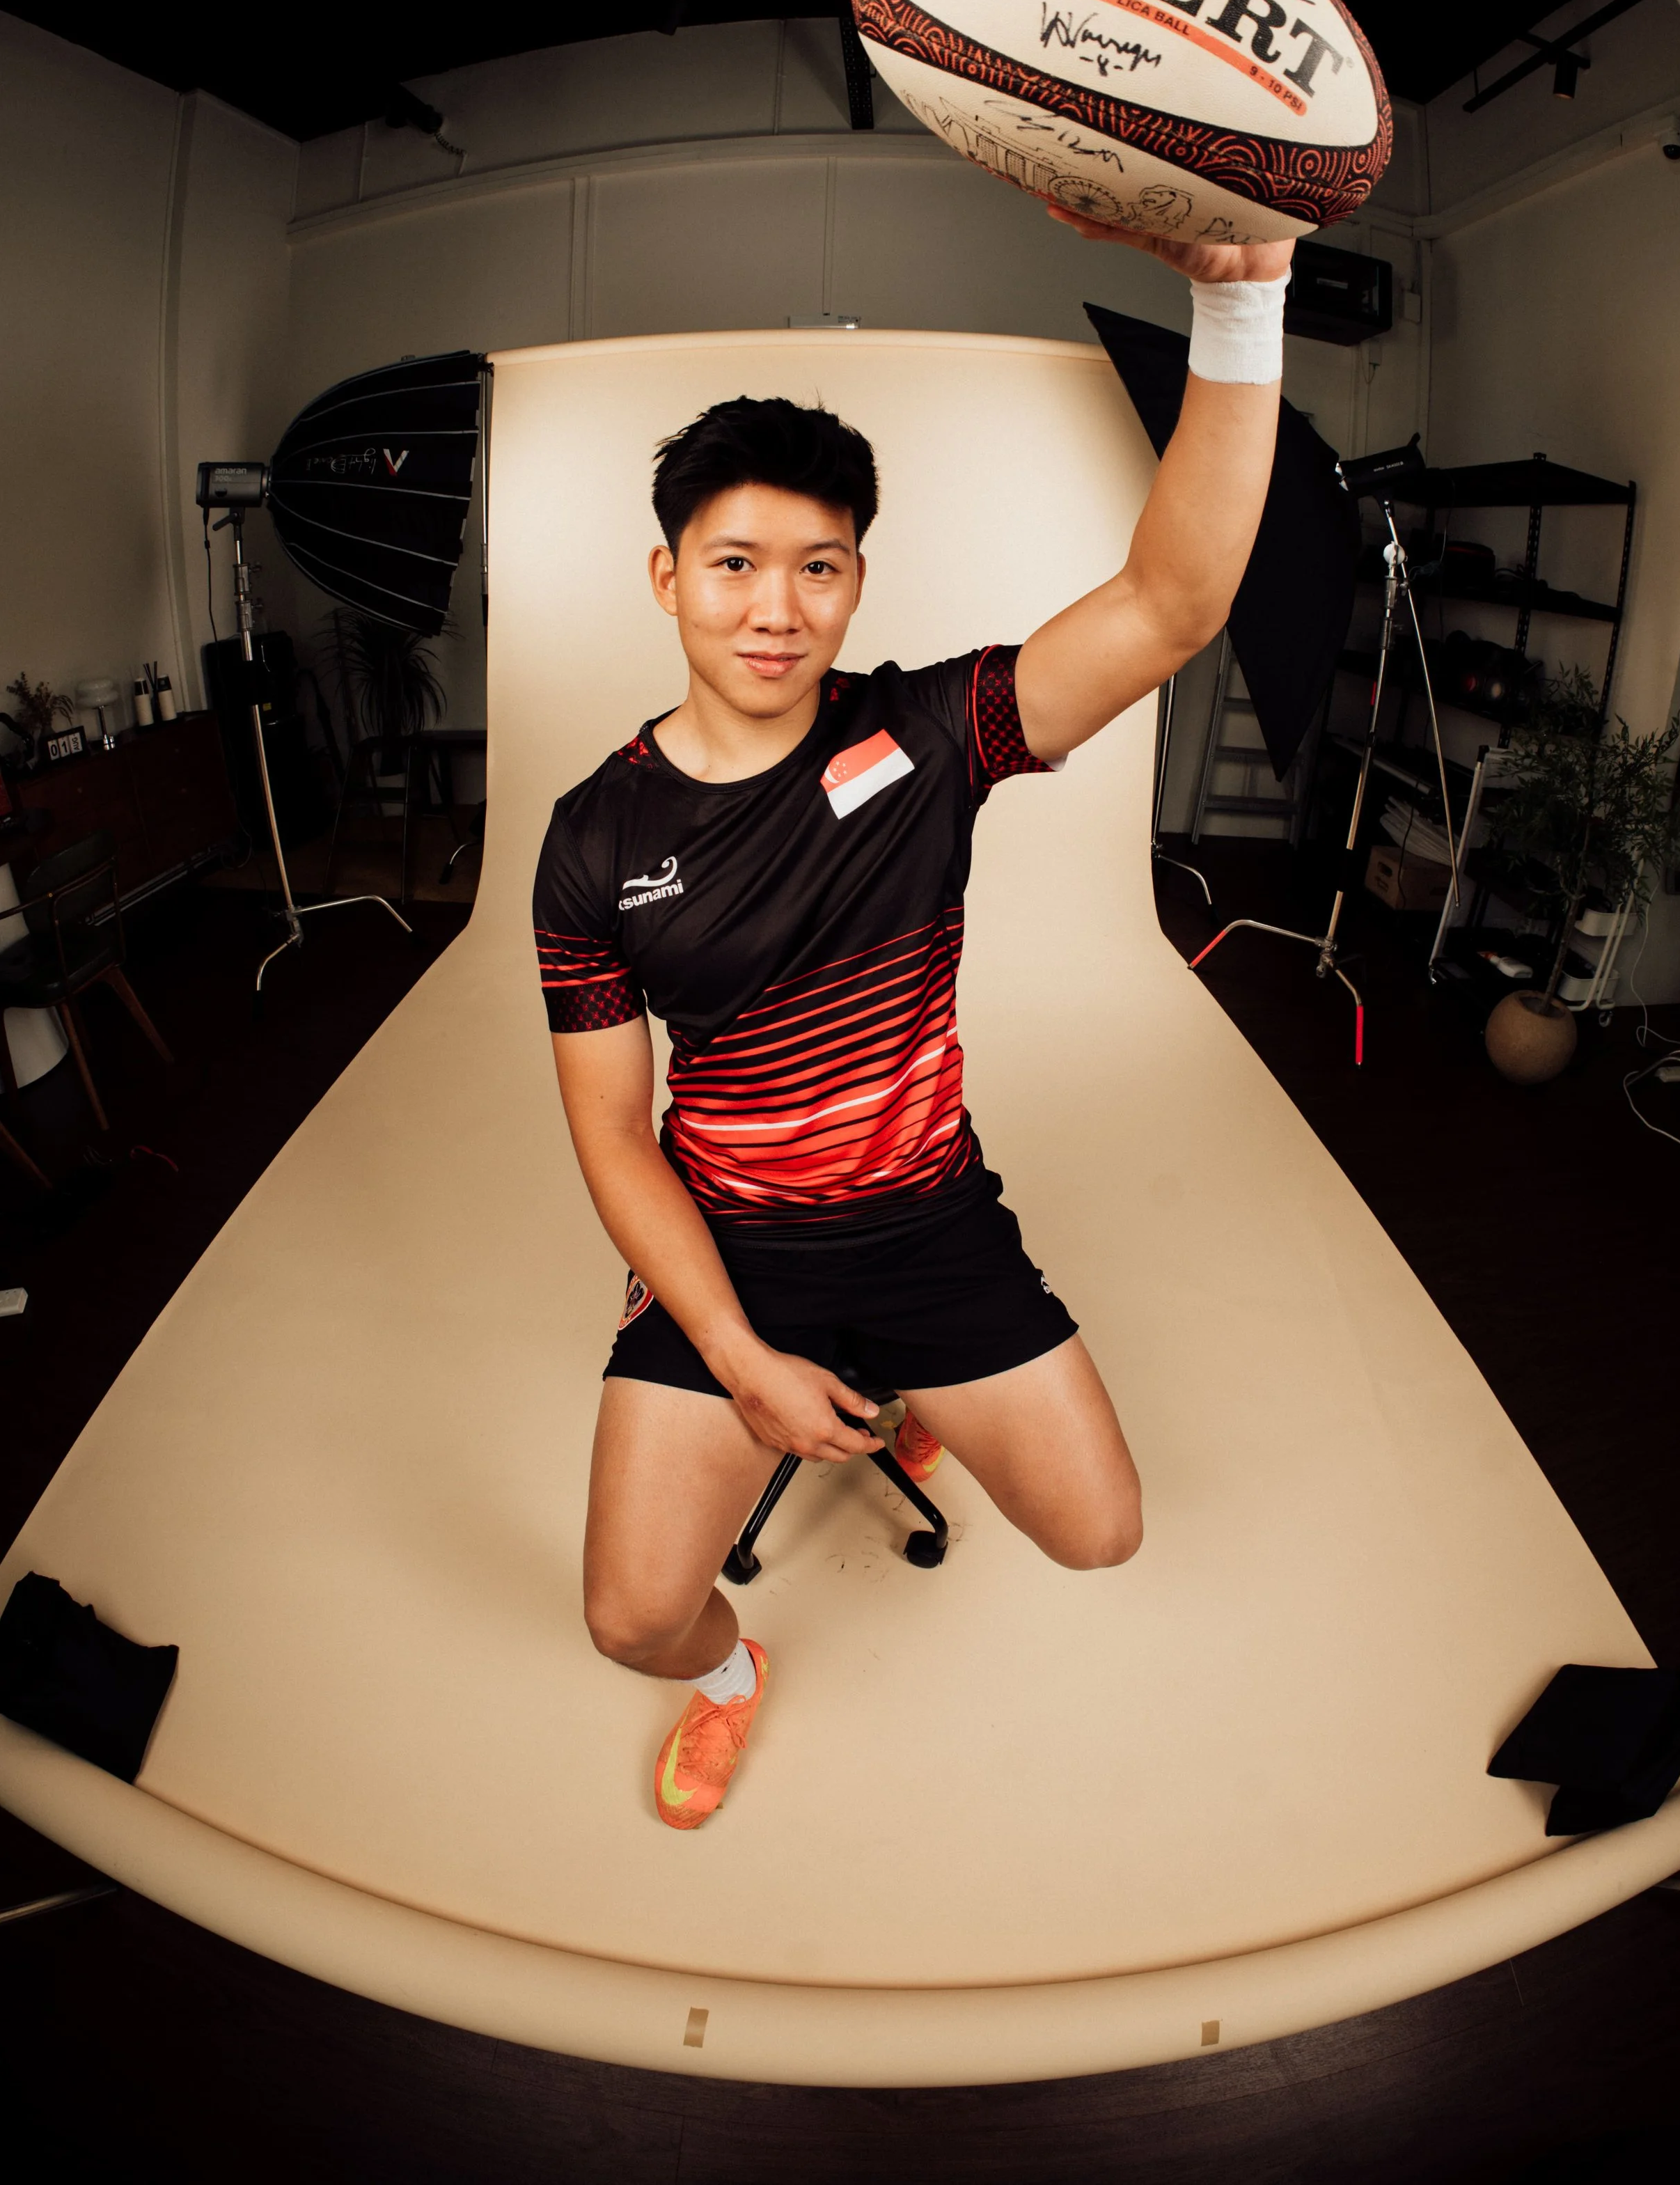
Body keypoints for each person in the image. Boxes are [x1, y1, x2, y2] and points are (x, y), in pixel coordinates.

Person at [533, 210, 1292, 1828]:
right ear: (667, 574)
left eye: (817, 568)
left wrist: (1240, 314)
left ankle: (908, 1397)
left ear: (855, 579)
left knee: (1100, 1532)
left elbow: (1167, 606)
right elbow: (608, 1132)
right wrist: (738, 1360)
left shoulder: (932, 731)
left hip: (929, 1227)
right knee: (628, 1621)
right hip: (727, 1246)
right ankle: (738, 1675)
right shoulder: (592, 838)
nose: (774, 608)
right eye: (733, 564)